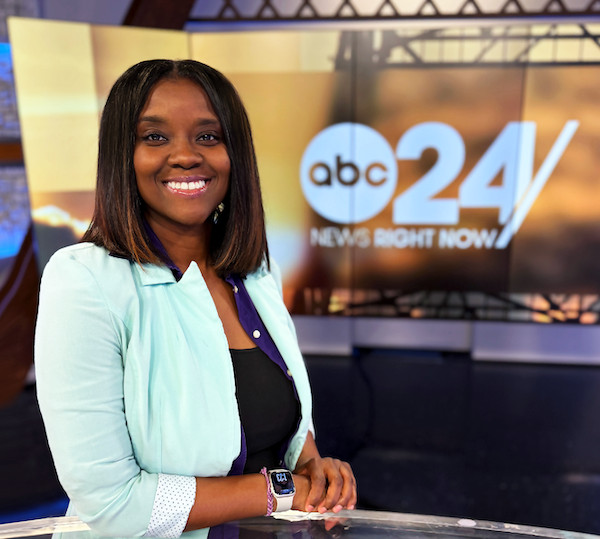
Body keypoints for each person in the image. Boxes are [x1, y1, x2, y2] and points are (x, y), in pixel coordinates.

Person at [35, 59, 357, 539]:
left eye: (208, 136)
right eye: (155, 137)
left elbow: (278, 416)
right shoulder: (83, 280)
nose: (185, 155)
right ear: (122, 155)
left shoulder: (254, 272)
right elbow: (114, 504)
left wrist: (316, 471)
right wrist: (285, 490)